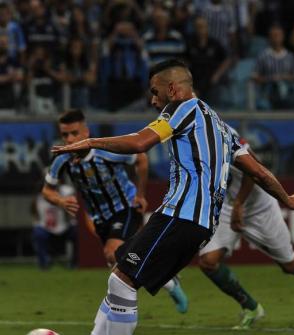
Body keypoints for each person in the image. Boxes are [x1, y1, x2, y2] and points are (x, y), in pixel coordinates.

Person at [52, 59, 294, 335]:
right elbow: (258, 170)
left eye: (155, 92)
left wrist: (90, 142)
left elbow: (139, 143)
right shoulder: (221, 126)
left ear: (173, 89)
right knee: (120, 277)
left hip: (181, 214)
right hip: (199, 223)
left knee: (121, 282)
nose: (152, 100)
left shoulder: (182, 110)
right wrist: (288, 199)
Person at [42, 109, 188, 310]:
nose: (69, 139)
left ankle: (118, 316)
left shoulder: (106, 151)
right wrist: (59, 200)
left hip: (126, 207)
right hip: (100, 219)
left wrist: (140, 194)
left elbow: (141, 159)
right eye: (65, 134)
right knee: (125, 261)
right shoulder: (62, 159)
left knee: (112, 253)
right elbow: (46, 190)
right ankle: (168, 281)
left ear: (86, 132)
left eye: (74, 133)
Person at [199, 128, 294, 330]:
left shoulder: (218, 131)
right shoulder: (184, 139)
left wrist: (239, 204)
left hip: (258, 205)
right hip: (227, 206)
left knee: (290, 264)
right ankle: (251, 307)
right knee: (208, 262)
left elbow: (254, 169)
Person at [32, 180, 77, 269]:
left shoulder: (66, 192)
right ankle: (44, 263)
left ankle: (75, 263)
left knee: (77, 232)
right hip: (46, 228)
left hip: (64, 226)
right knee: (38, 233)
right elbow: (35, 213)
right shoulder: (39, 197)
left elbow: (73, 198)